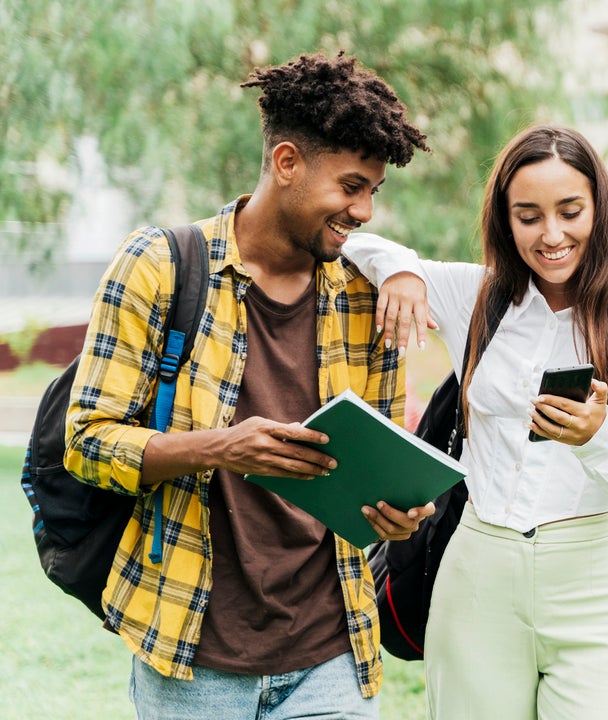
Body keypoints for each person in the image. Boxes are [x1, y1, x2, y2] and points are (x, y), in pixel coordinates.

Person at [64, 52, 431, 718]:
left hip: (331, 656)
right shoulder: (159, 266)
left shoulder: (368, 296)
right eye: (351, 186)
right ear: (286, 163)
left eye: (375, 191)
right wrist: (220, 448)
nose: (366, 211)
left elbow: (374, 472)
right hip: (192, 657)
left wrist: (395, 513)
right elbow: (88, 442)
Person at [343, 124, 608, 719]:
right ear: (506, 221)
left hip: (592, 579)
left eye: (570, 211)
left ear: (598, 212)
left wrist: (597, 437)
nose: (552, 235)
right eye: (529, 216)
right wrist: (400, 269)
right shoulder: (475, 298)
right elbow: (352, 246)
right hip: (478, 571)